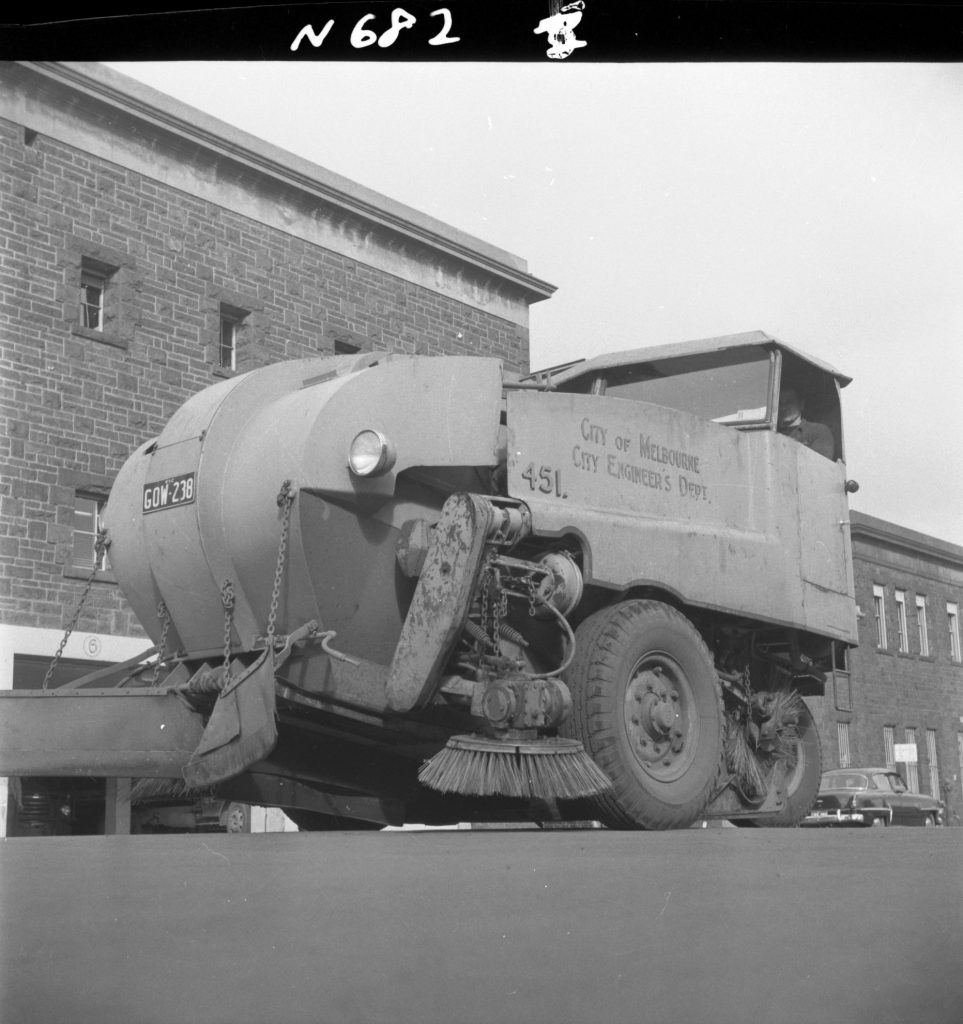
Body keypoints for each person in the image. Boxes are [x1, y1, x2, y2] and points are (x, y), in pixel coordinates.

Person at [777, 387, 835, 460]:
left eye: (789, 402)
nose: (783, 408)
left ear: (801, 405)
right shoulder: (771, 433)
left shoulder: (818, 431)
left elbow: (819, 466)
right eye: (779, 403)